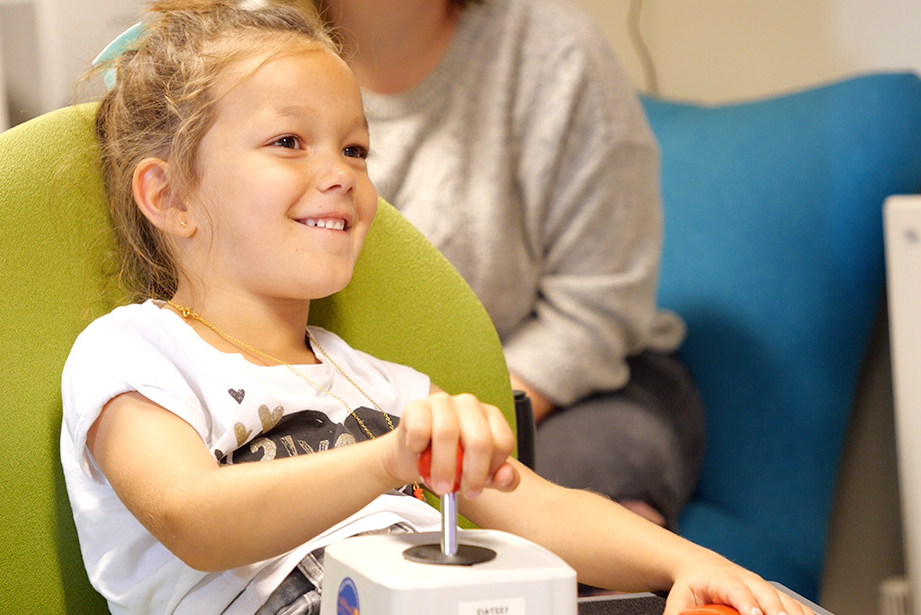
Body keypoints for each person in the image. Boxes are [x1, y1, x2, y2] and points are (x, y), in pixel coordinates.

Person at [60, 2, 812, 614]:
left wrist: (699, 565)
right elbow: (190, 517)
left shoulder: (383, 385)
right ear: (169, 196)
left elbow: (541, 509)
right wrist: (388, 459)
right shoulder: (132, 352)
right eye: (290, 141)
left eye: (355, 150)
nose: (339, 174)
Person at [315, 0, 703, 528]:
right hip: (333, 391)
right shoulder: (239, 44)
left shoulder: (556, 52)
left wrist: (453, 428)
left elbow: (598, 310)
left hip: (565, 391)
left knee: (588, 506)